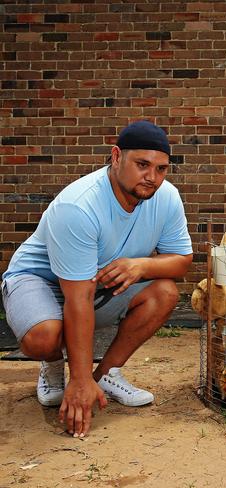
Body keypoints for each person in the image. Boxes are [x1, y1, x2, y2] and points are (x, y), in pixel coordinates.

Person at [1, 120, 193, 438]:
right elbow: (78, 299)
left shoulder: (167, 198)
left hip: (97, 285)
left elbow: (181, 261)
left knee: (165, 292)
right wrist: (77, 379)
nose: (152, 177)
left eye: (161, 169)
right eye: (142, 165)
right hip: (38, 281)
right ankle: (53, 367)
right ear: (116, 157)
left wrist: (142, 266)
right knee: (44, 336)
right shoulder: (78, 206)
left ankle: (104, 376)